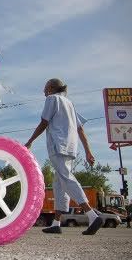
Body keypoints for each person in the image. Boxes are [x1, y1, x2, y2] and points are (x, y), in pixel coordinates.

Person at [25, 78, 103, 235]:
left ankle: (92, 215)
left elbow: (44, 122)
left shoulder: (52, 99)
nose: (44, 91)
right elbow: (80, 130)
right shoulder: (69, 103)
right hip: (70, 147)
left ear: (52, 88)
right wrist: (88, 151)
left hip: (58, 145)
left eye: (45, 88)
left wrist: (30, 141)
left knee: (66, 178)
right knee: (59, 183)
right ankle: (56, 222)